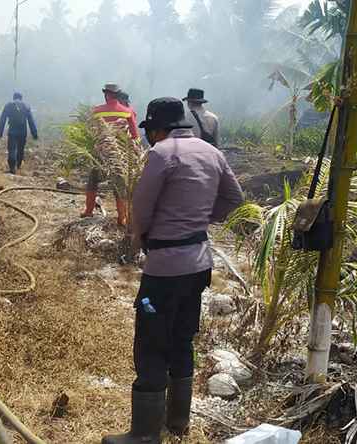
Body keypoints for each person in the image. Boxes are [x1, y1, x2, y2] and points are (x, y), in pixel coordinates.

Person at [101, 98, 243, 444]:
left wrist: (140, 239)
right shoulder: (212, 153)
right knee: (182, 340)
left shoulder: (162, 154)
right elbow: (234, 199)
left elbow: (143, 208)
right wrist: (197, 217)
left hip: (165, 268)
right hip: (198, 265)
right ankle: (178, 422)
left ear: (156, 129)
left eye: (150, 131)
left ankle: (144, 435)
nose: (150, 138)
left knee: (151, 345)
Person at [81, 83, 141, 226]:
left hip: (101, 151)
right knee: (120, 185)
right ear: (118, 94)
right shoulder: (127, 111)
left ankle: (88, 210)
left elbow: (95, 131)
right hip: (120, 155)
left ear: (106, 94)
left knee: (93, 181)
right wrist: (137, 152)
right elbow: (135, 135)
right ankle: (122, 218)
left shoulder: (97, 111)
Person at [0, 92, 39, 174]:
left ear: (13, 98)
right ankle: (19, 164)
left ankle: (12, 167)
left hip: (12, 132)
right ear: (21, 98)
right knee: (20, 149)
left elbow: (2, 120)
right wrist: (34, 133)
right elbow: (31, 121)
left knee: (11, 149)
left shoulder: (8, 106)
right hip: (23, 132)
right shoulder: (26, 106)